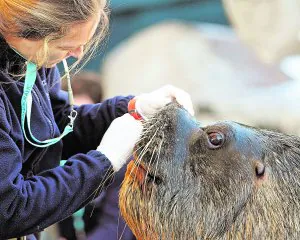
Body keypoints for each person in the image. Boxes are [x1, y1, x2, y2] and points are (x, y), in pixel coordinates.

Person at [0, 0, 194, 239]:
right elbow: (9, 210)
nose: (77, 54)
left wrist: (132, 109)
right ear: (25, 32)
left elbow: (54, 128)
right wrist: (104, 161)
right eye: (67, 46)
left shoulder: (33, 56)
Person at [59, 72, 136, 240]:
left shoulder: (121, 159)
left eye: (81, 114)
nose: (71, 125)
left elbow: (116, 225)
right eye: (67, 115)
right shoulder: (48, 152)